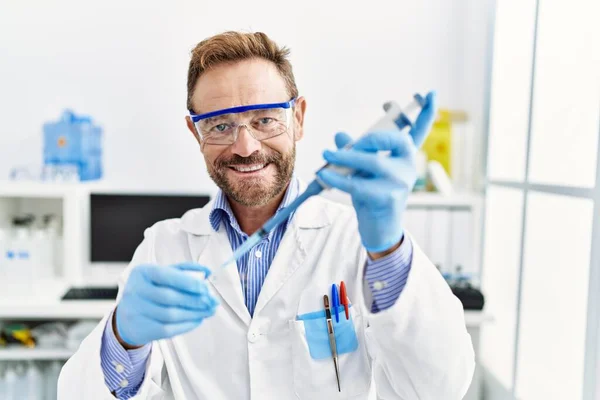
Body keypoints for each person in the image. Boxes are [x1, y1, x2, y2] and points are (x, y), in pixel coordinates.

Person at [58, 31, 474, 399]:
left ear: (298, 118)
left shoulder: (358, 242)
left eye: (264, 120)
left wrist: (387, 248)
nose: (245, 146)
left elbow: (438, 389)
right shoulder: (164, 247)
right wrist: (123, 338)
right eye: (219, 125)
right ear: (194, 132)